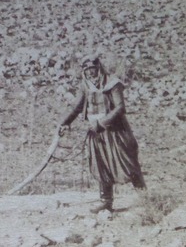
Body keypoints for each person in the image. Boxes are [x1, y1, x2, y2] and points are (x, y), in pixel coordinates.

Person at [60, 56, 144, 212]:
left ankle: (145, 197)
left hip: (116, 131)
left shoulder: (113, 83)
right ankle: (106, 201)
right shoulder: (85, 85)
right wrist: (64, 122)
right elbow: (76, 108)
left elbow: (120, 108)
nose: (91, 74)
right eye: (87, 71)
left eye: (93, 70)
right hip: (96, 133)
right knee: (101, 165)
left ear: (99, 69)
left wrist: (101, 123)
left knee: (127, 163)